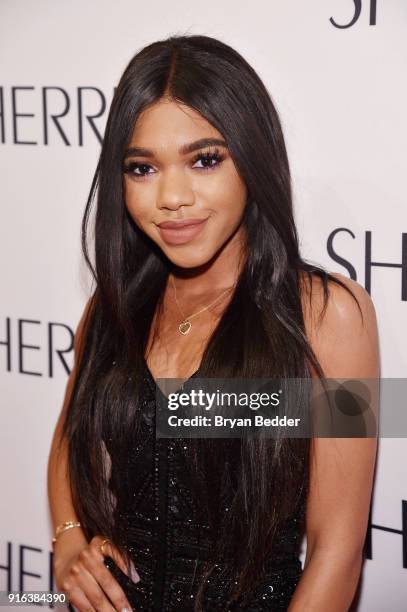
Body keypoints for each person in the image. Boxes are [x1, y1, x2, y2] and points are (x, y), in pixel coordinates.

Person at [47, 34, 380, 611]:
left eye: (205, 159)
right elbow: (68, 442)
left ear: (253, 158)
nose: (173, 196)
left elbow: (337, 552)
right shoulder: (112, 307)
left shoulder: (328, 316)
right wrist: (68, 539)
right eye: (142, 167)